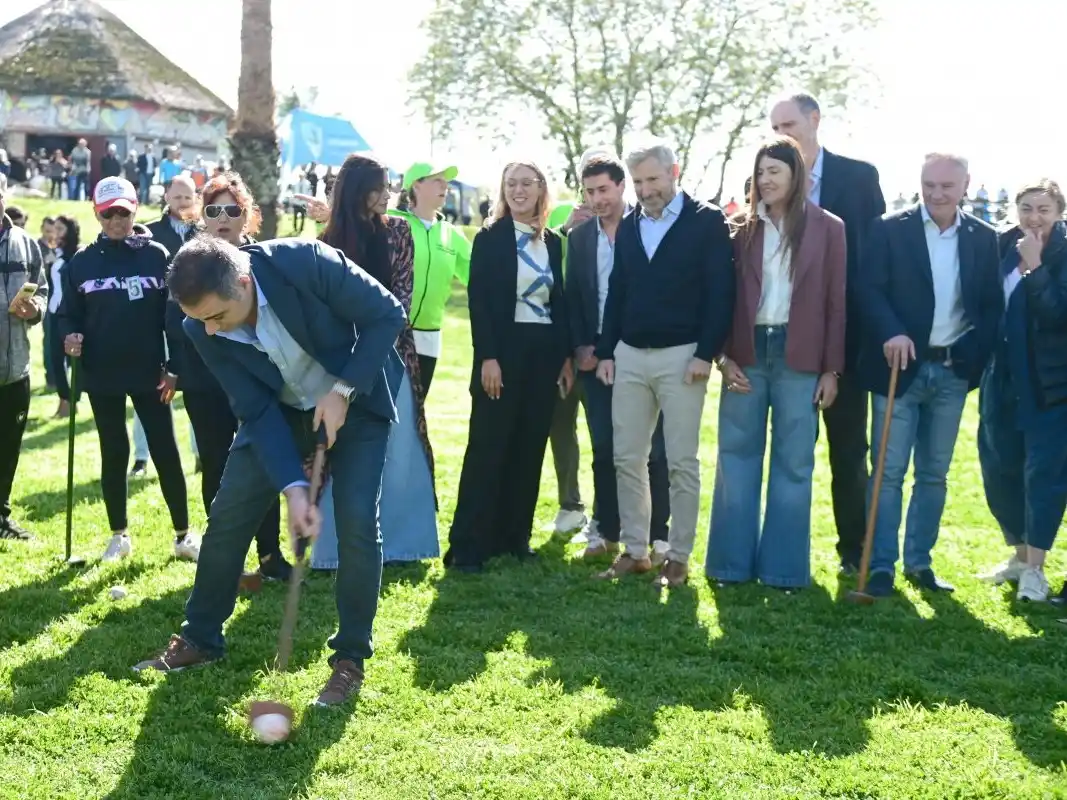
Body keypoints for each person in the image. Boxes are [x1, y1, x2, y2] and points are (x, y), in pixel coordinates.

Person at [134, 234, 406, 710]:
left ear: (243, 283)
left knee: (358, 523)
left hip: (357, 404)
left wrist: (343, 391)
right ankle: (200, 638)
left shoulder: (306, 262)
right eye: (201, 320)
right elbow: (256, 410)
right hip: (278, 413)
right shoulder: (201, 328)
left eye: (217, 316)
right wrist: (295, 488)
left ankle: (349, 660)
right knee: (228, 515)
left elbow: (387, 314)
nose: (210, 330)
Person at [857, 153, 1001, 596]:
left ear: (965, 186)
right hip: (898, 369)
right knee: (888, 471)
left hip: (952, 372)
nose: (936, 194)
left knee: (934, 473)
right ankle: (881, 566)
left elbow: (991, 307)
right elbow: (867, 289)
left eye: (946, 186)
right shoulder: (888, 229)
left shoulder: (984, 238)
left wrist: (969, 354)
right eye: (929, 184)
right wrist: (891, 331)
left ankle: (919, 563)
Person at [706, 137, 846, 590]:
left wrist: (831, 370)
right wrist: (722, 357)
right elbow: (720, 297)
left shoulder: (829, 228)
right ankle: (729, 566)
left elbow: (836, 303)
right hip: (745, 354)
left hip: (800, 357)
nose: (765, 180)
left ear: (795, 175)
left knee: (794, 464)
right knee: (736, 458)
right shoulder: (739, 229)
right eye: (761, 172)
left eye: (775, 172)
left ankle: (784, 571)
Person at [594, 138, 735, 588]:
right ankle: (636, 551)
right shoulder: (630, 224)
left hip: (683, 357)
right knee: (627, 457)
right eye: (638, 182)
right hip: (630, 355)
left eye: (653, 179)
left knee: (680, 462)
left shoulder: (707, 221)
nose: (645, 189)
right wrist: (606, 351)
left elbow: (721, 293)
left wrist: (705, 353)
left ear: (675, 172)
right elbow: (618, 291)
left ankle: (678, 557)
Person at [769, 91, 887, 573]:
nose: (783, 135)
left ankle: (854, 550)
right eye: (776, 128)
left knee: (848, 450)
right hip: (781, 339)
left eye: (790, 125)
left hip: (845, 338)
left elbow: (875, 254)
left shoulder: (859, 178)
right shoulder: (765, 180)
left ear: (815, 119)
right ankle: (782, 551)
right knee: (788, 451)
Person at [58, 177, 197, 563]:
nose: (116, 220)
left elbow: (173, 317)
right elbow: (69, 314)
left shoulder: (156, 255)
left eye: (123, 212)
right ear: (96, 214)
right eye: (108, 214)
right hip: (101, 372)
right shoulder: (82, 262)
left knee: (165, 449)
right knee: (114, 450)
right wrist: (70, 335)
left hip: (151, 371)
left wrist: (174, 367)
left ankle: (183, 534)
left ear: (135, 210)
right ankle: (119, 535)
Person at [444, 160, 573, 573]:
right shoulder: (490, 238)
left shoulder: (553, 242)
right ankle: (468, 545)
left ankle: (514, 537)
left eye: (526, 183)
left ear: (541, 189)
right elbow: (479, 302)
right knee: (488, 446)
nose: (518, 190)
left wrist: (565, 357)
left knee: (529, 446)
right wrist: (488, 357)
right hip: (501, 353)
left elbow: (560, 303)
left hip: (543, 354)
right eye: (511, 184)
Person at [313, 154, 438, 568]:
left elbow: (401, 297)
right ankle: (333, 550)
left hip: (393, 355)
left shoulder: (399, 232)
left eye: (388, 186)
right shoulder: (326, 243)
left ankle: (403, 546)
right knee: (342, 451)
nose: (387, 195)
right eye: (378, 188)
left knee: (400, 449)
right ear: (357, 192)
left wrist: (375, 340)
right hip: (342, 363)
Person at [165, 172, 291, 582]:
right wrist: (175, 369)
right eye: (214, 209)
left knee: (265, 460)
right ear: (202, 215)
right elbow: (173, 320)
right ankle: (225, 560)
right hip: (204, 381)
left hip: (259, 380)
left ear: (246, 215)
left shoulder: (263, 260)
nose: (222, 217)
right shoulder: (190, 261)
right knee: (216, 465)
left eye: (231, 210)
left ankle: (270, 555)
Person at [565, 154, 672, 562]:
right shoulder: (579, 238)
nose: (597, 199)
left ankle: (657, 535)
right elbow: (575, 296)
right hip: (594, 356)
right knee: (604, 445)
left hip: (641, 349)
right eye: (589, 192)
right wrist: (581, 347)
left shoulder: (645, 227)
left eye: (603, 190)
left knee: (653, 448)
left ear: (622, 186)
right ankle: (606, 530)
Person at [977, 180, 1067, 602]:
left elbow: (1057, 314)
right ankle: (1018, 555)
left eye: (1044, 210)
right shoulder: (1002, 245)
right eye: (1027, 208)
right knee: (1000, 467)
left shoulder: (1062, 252)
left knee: (1042, 474)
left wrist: (1035, 268)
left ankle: (1036, 569)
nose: (1034, 218)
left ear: (1059, 213)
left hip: (1048, 383)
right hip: (1001, 377)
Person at [131, 176, 202, 477]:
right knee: (152, 390)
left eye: (188, 197)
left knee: (201, 392)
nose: (183, 202)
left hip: (200, 322)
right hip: (158, 323)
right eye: (177, 197)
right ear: (166, 197)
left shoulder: (206, 230)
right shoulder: (148, 233)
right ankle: (141, 457)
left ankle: (201, 454)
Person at [389, 162, 472, 395]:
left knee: (415, 409)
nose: (445, 186)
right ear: (416, 185)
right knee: (382, 410)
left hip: (429, 336)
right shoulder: (391, 222)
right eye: (437, 180)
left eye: (446, 181)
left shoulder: (452, 234)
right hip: (389, 331)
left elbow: (479, 277)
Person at [0, 177, 47, 540]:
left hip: (15, 368)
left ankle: (1, 517)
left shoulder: (26, 243)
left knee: (7, 449)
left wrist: (34, 309)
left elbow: (42, 290)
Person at [45, 216, 80, 419]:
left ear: (69, 231)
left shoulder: (76, 254)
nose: (56, 232)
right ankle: (64, 399)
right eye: (54, 228)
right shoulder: (55, 253)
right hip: (53, 312)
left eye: (60, 228)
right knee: (55, 359)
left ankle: (71, 401)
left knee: (73, 360)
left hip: (68, 313)